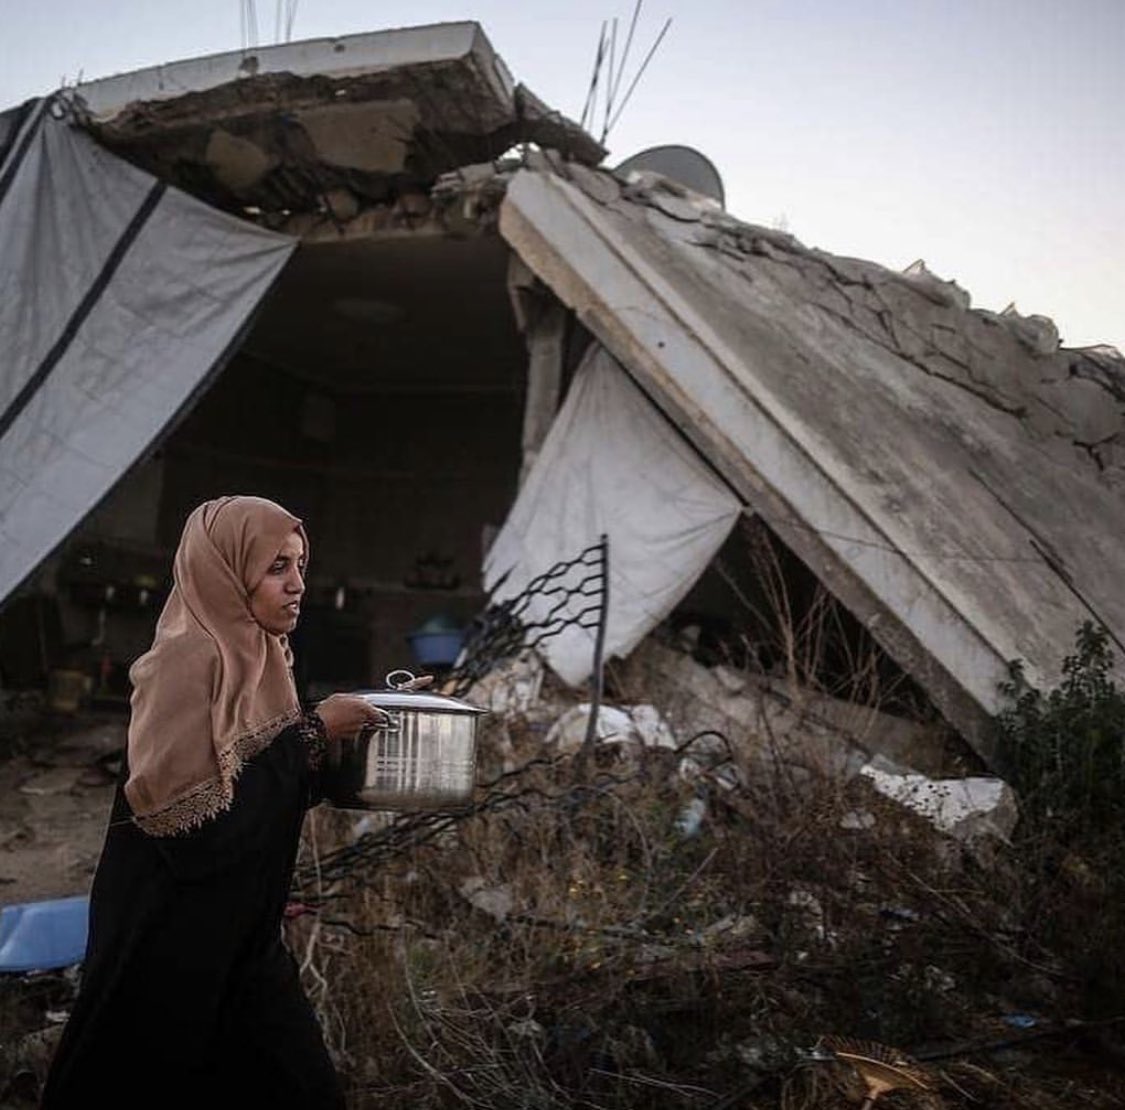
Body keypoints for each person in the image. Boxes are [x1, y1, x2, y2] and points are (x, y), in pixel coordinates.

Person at [40, 495, 385, 1109]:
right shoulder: (185, 663)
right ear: (225, 569)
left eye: (301, 565)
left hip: (241, 944)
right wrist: (313, 734)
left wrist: (350, 747)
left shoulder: (263, 657)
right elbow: (195, 837)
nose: (298, 585)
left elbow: (267, 793)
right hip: (168, 948)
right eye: (277, 566)